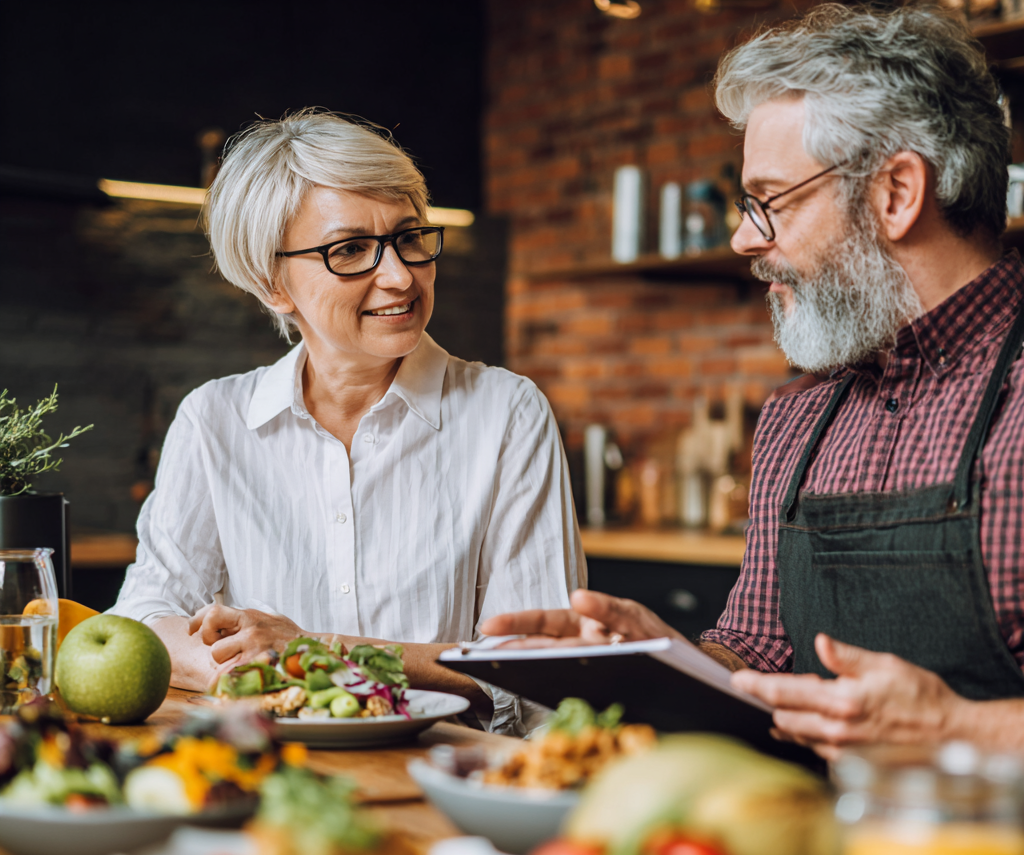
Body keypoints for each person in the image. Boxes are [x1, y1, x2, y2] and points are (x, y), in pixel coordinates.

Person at [482, 5, 1024, 755]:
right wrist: (658, 663)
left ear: (897, 193)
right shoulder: (800, 417)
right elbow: (758, 655)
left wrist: (956, 730)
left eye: (769, 201)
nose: (744, 238)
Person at [112, 109, 583, 733]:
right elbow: (145, 618)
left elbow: (542, 669)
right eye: (351, 250)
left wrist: (314, 652)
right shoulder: (213, 420)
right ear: (271, 282)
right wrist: (231, 665)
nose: (400, 276)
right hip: (272, 777)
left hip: (449, 783)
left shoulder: (508, 413)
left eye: (409, 237)